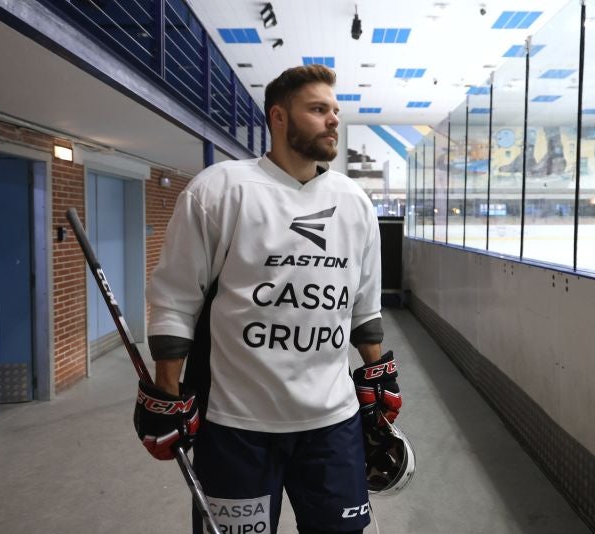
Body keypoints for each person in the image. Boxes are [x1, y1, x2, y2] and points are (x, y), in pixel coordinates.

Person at [133, 64, 403, 534]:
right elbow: (176, 300)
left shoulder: (354, 203)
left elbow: (364, 308)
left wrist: (376, 376)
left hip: (332, 423)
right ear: (279, 117)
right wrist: (167, 392)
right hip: (236, 424)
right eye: (318, 109)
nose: (334, 120)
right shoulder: (220, 190)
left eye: (335, 110)